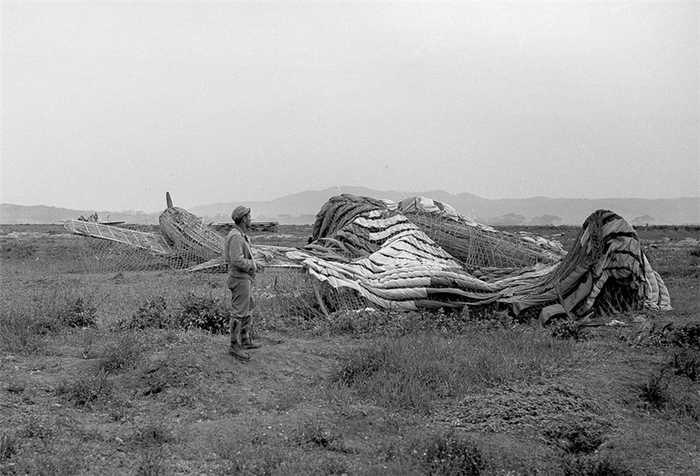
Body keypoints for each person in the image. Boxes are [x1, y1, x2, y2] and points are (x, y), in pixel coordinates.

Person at [225, 205, 264, 362]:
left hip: (244, 278)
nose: (250, 219)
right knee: (239, 312)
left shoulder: (240, 235)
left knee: (247, 308)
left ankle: (245, 340)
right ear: (243, 219)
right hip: (239, 278)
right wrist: (253, 265)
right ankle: (234, 345)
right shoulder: (236, 237)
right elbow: (236, 260)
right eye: (248, 217)